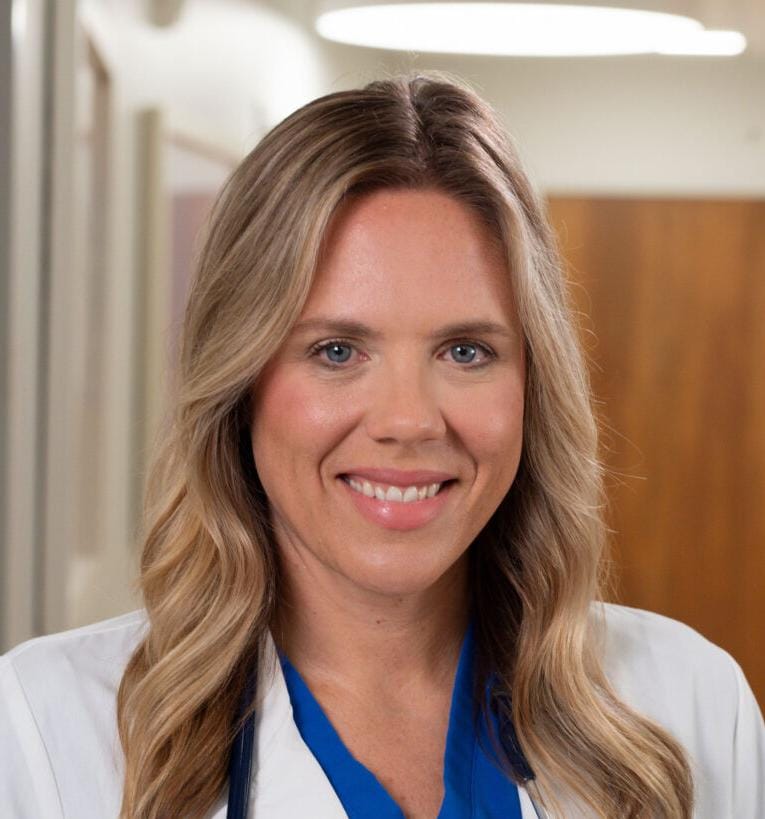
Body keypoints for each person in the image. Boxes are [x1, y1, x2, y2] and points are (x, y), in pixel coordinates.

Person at [1, 71, 763, 819]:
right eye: (336, 350)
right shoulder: (44, 731)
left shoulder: (689, 704)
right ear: (240, 382)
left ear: (534, 384)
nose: (409, 420)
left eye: (465, 351)